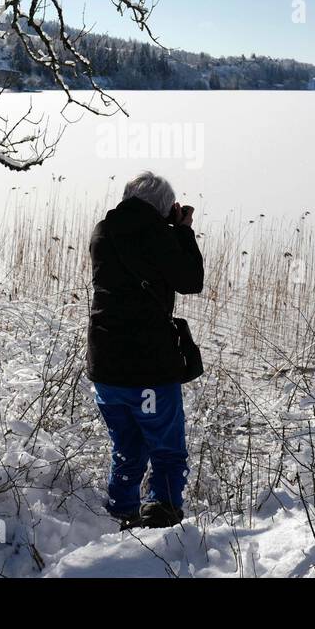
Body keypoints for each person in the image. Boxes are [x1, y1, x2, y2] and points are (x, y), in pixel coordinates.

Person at [87, 171, 204, 529]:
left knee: (127, 447)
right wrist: (182, 229)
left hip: (105, 366)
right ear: (163, 207)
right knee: (167, 451)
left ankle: (119, 515)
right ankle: (161, 522)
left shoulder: (102, 232)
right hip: (149, 368)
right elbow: (191, 280)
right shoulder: (158, 235)